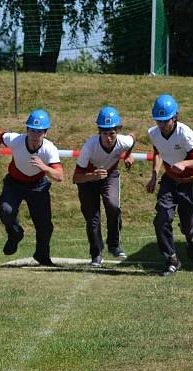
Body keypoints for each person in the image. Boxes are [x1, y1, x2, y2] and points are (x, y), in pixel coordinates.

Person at [0, 109, 64, 266]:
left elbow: (59, 176)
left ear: (45, 133)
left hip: (38, 186)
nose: (34, 135)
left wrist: (44, 167)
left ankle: (42, 255)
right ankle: (15, 234)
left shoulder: (49, 149)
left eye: (39, 132)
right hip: (14, 183)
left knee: (45, 226)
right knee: (6, 211)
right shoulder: (17, 140)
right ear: (27, 130)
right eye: (32, 130)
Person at [145, 94, 193, 276]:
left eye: (165, 121)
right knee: (162, 217)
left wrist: (184, 164)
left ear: (175, 117)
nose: (162, 125)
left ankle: (192, 242)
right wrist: (154, 175)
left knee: (188, 227)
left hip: (190, 183)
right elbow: (158, 151)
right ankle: (172, 259)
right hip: (169, 180)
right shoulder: (153, 133)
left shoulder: (184, 133)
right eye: (159, 121)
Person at [72, 106, 135, 267]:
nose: (108, 137)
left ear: (118, 131)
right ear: (99, 131)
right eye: (105, 133)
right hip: (87, 180)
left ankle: (114, 245)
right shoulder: (89, 147)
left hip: (109, 176)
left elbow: (133, 138)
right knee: (92, 218)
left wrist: (128, 155)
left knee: (113, 206)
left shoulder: (123, 141)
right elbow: (75, 178)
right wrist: (93, 176)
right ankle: (96, 253)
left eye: (112, 133)